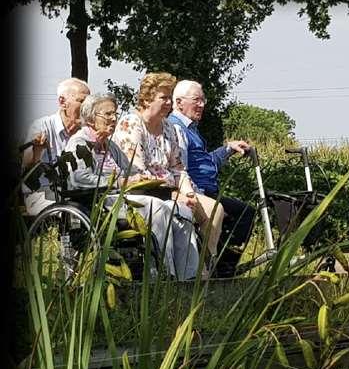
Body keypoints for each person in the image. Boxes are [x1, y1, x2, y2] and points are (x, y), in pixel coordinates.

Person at [65, 92, 200, 280]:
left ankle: (190, 277)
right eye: (108, 115)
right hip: (98, 202)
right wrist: (118, 182)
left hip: (124, 199)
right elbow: (78, 178)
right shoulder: (79, 143)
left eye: (115, 114)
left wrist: (140, 179)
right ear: (90, 118)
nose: (114, 119)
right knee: (158, 209)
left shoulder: (111, 147)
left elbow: (130, 174)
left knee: (180, 211)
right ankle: (163, 274)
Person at [112, 73, 225, 270]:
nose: (168, 103)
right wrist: (174, 194)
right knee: (179, 210)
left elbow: (178, 169)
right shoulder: (131, 125)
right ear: (147, 99)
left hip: (172, 191)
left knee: (213, 210)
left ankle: (199, 270)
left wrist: (188, 193)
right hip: (142, 193)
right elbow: (139, 177)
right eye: (163, 98)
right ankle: (169, 272)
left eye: (169, 98)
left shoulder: (169, 128)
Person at [168, 79, 255, 270]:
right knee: (244, 213)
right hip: (196, 191)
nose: (201, 105)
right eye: (196, 100)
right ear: (179, 102)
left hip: (206, 189)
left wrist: (228, 149)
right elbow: (179, 166)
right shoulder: (176, 128)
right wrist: (192, 192)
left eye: (203, 100)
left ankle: (219, 266)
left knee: (243, 212)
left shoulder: (191, 129)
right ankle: (216, 269)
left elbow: (205, 163)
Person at [21, 77, 91, 215]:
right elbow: (27, 167)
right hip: (42, 196)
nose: (87, 108)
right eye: (81, 101)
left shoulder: (85, 134)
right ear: (62, 102)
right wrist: (37, 151)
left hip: (75, 194)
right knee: (74, 212)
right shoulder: (42, 126)